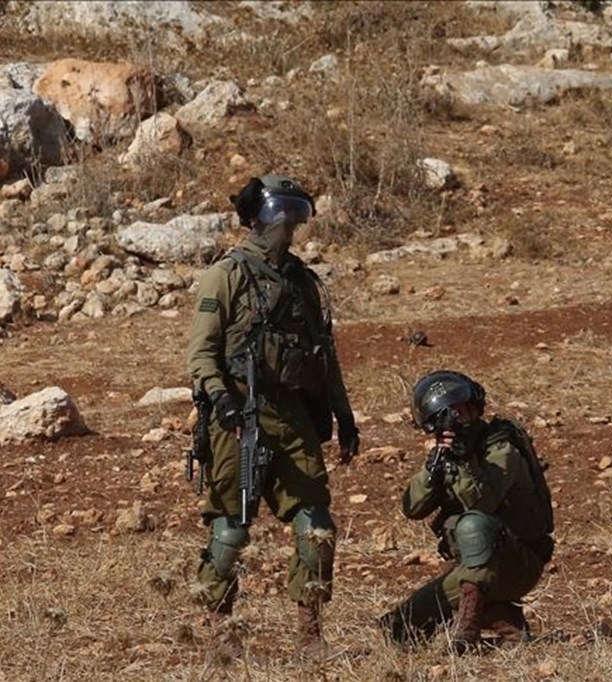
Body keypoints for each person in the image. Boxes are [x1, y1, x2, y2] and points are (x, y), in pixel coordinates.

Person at [187, 174, 360, 659]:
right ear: (254, 218)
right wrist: (222, 400)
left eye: (293, 214)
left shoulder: (304, 282)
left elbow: (325, 356)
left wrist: (344, 417)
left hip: (291, 415)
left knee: (316, 522)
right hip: (236, 415)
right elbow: (201, 354)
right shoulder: (227, 275)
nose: (286, 224)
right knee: (231, 527)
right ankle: (219, 633)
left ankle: (310, 634)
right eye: (278, 213)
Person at [379, 370, 555, 653]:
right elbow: (412, 508)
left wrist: (464, 460)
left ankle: (468, 630)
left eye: (459, 411)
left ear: (474, 408)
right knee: (399, 626)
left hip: (518, 562)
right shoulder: (447, 455)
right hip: (476, 568)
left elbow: (481, 503)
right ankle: (504, 619)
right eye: (444, 416)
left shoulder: (501, 448)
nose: (455, 420)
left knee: (472, 524)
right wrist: (434, 466)